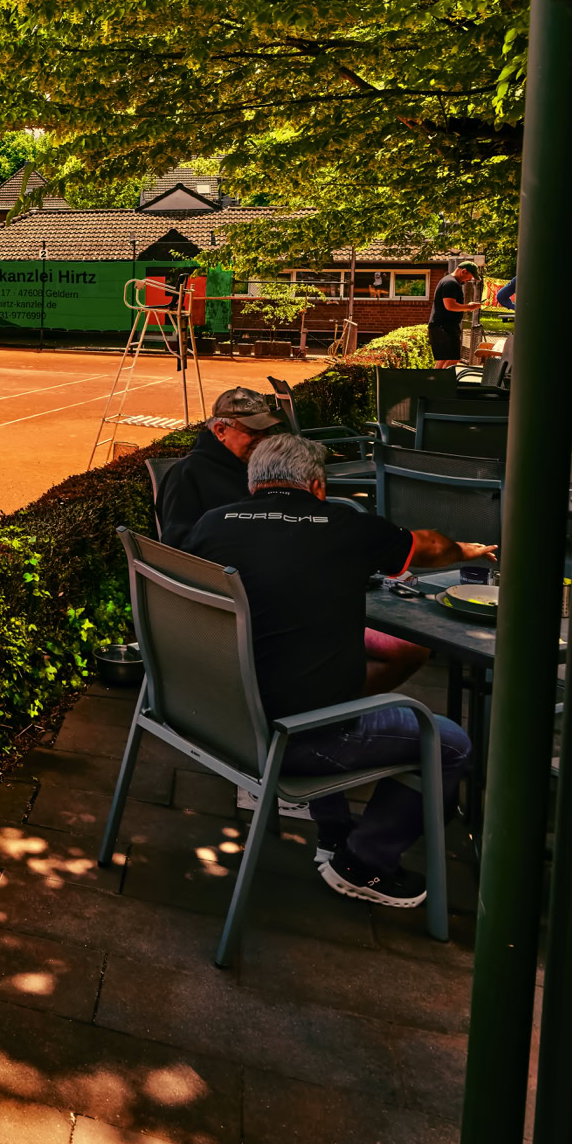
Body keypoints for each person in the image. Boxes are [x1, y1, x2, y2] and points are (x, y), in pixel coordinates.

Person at [179, 433, 494, 908]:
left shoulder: (210, 525)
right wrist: (464, 550)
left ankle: (334, 827)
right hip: (290, 737)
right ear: (318, 486)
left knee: (364, 665)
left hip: (217, 720)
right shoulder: (344, 525)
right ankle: (363, 862)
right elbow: (427, 546)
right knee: (450, 742)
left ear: (252, 483)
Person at [157, 387, 281, 543]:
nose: (263, 440)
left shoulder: (263, 463)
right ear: (221, 431)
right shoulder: (186, 474)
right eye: (253, 432)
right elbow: (178, 544)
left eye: (267, 432)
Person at [429, 264, 479, 364]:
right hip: (445, 327)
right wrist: (469, 307)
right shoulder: (451, 283)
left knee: (443, 359)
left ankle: (437, 379)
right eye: (470, 276)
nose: (470, 279)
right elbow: (450, 306)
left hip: (441, 326)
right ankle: (446, 379)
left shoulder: (448, 281)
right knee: (453, 359)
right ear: (463, 271)